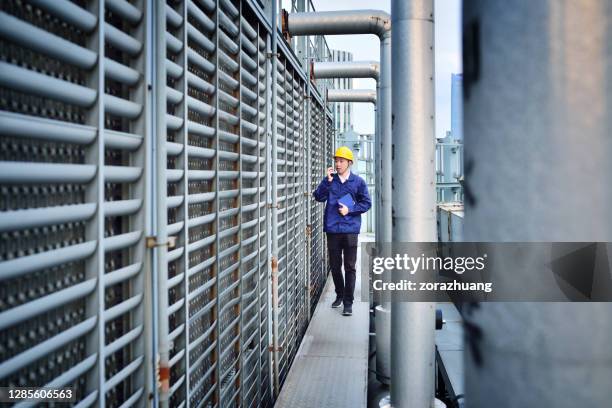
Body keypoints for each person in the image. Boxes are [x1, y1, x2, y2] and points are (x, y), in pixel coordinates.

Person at [313, 146, 372, 316]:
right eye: (336, 161)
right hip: (332, 229)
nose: (338, 164)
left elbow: (367, 203)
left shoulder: (358, 182)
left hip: (350, 230)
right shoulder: (331, 181)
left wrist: (350, 210)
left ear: (349, 163)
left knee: (350, 267)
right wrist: (327, 181)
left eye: (341, 161)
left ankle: (348, 302)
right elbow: (318, 196)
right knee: (335, 266)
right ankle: (339, 294)